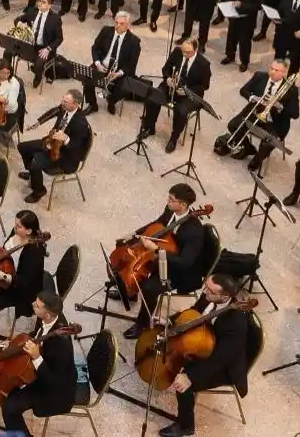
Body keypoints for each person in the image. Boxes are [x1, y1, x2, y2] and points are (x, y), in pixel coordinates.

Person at [159, 274, 251, 437]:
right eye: (206, 287)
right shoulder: (210, 296)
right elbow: (194, 312)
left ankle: (186, 426)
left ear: (224, 297)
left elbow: (221, 359)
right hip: (204, 344)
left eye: (210, 290)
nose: (204, 291)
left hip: (223, 365)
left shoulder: (236, 323)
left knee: (184, 385)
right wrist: (171, 321)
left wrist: (190, 377)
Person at [124, 184, 207, 337]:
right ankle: (130, 291)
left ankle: (141, 325)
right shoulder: (170, 210)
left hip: (179, 270)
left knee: (150, 288)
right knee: (124, 248)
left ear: (183, 205)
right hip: (162, 252)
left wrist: (155, 250)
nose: (167, 201)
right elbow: (156, 224)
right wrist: (135, 234)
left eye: (171, 199)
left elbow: (184, 262)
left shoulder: (194, 232)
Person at [0, 291, 78, 433]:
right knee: (10, 387)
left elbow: (53, 381)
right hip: (44, 372)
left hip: (57, 389)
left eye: (37, 305)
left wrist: (36, 357)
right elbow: (38, 335)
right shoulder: (46, 317)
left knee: (9, 408)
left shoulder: (61, 345)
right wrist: (14, 345)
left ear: (47, 315)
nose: (33, 304)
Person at [0, 209, 48, 343]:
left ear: (29, 231)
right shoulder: (16, 233)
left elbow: (23, 281)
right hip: (8, 271)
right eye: (15, 224)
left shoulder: (34, 253)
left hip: (22, 289)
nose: (14, 228)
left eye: (18, 226)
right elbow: (4, 250)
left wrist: (2, 276)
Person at [17, 89, 91, 203]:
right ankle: (33, 175)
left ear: (75, 104)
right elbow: (54, 111)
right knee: (22, 147)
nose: (62, 103)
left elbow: (76, 147)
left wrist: (65, 139)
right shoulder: (65, 108)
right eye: (63, 99)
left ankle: (39, 191)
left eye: (65, 101)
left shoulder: (81, 123)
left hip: (65, 155)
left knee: (35, 163)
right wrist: (38, 122)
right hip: (53, 142)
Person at [139, 39, 211, 153]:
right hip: (171, 86)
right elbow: (165, 69)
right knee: (152, 97)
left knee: (181, 111)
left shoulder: (204, 64)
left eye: (188, 52)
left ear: (195, 50)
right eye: (183, 50)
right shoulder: (177, 52)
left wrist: (187, 90)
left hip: (189, 93)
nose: (185, 54)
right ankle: (149, 127)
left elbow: (204, 85)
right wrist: (167, 78)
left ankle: (173, 138)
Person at [87, 11, 141, 114]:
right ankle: (92, 105)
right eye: (116, 22)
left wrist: (118, 73)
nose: (117, 26)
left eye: (122, 24)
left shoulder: (134, 42)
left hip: (118, 71)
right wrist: (98, 64)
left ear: (128, 25)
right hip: (102, 66)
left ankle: (111, 101)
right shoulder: (106, 31)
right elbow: (95, 48)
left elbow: (132, 64)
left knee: (126, 87)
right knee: (87, 77)